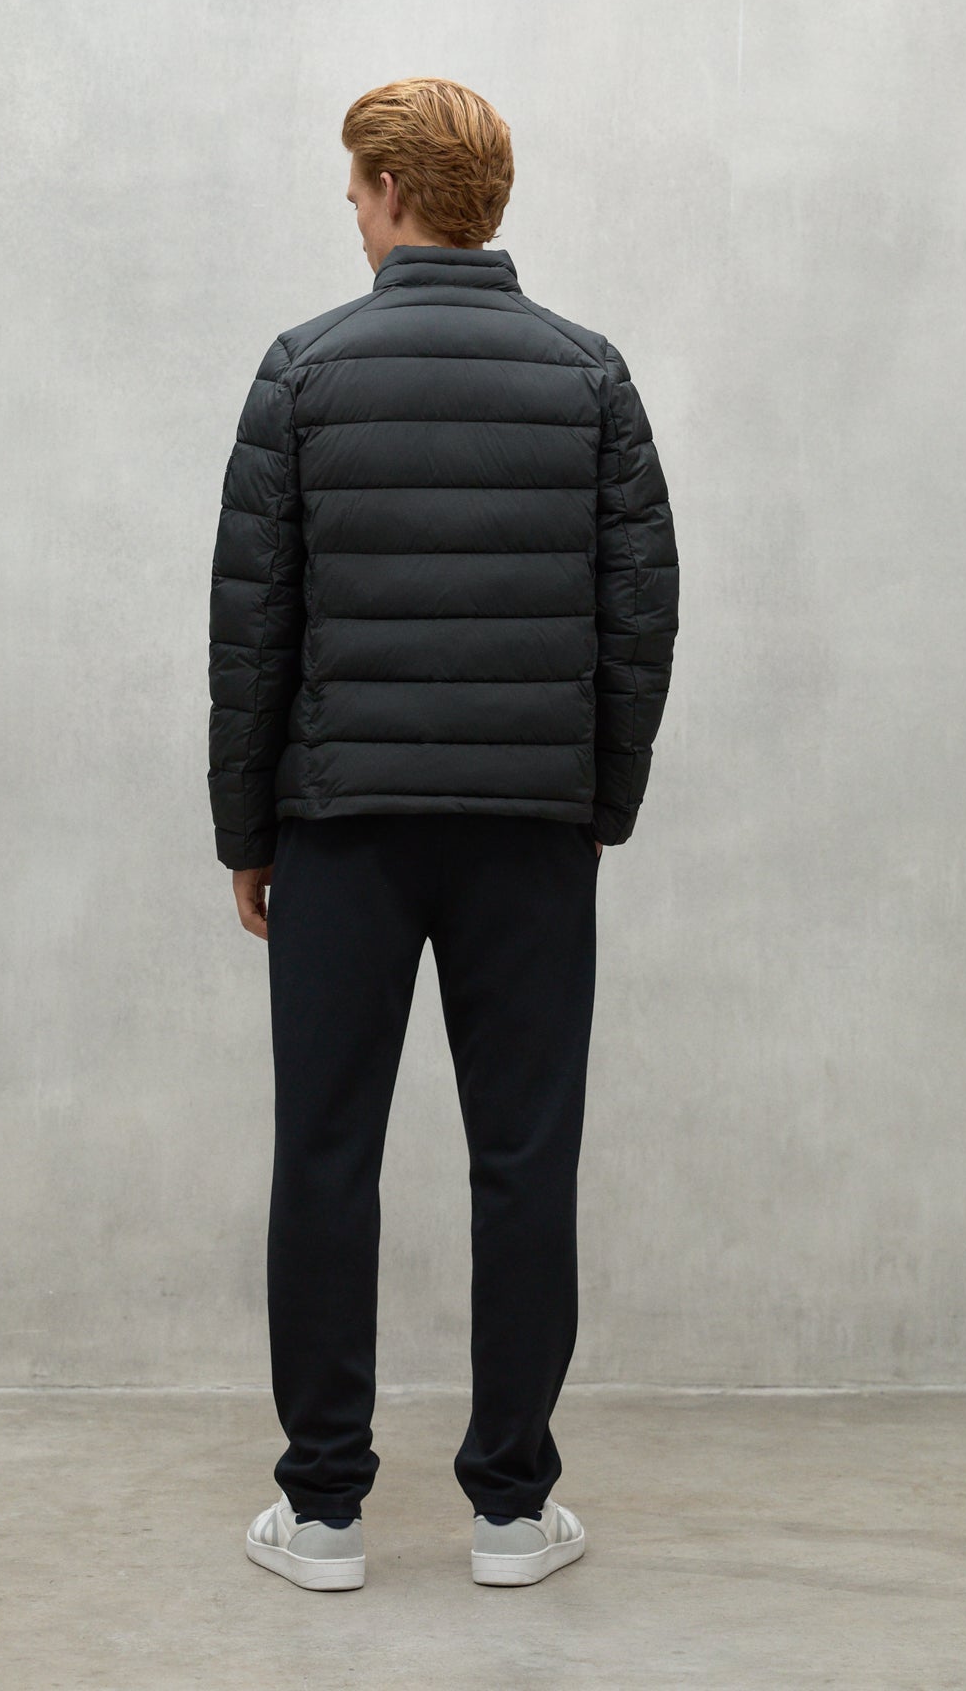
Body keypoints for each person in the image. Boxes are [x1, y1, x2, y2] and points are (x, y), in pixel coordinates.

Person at [207, 77, 679, 1592]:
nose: (350, 212)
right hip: (529, 833)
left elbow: (254, 631)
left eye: (356, 188)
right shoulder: (589, 376)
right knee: (525, 1158)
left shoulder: (303, 370)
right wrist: (598, 805)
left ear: (398, 192)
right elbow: (640, 617)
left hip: (341, 827)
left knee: (325, 1152)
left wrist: (246, 831)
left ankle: (324, 1516)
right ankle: (512, 1515)